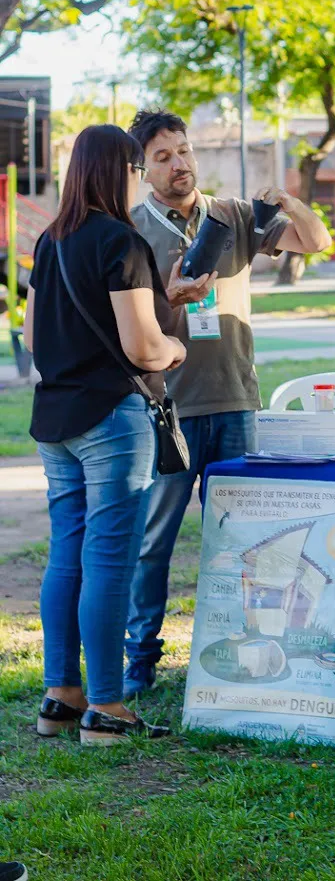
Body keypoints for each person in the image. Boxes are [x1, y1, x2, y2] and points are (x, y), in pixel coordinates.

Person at [124, 109, 331, 696]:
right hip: (167, 409)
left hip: (237, 402)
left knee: (247, 544)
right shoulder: (132, 228)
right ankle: (140, 659)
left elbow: (315, 242)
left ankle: (246, 650)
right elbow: (132, 325)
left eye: (184, 151)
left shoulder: (235, 215)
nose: (179, 164)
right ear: (144, 170)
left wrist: (288, 201)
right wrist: (171, 299)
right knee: (153, 543)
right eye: (163, 157)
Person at [25, 125, 185, 746]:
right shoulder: (122, 239)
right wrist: (173, 347)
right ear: (119, 171)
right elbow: (143, 345)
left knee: (68, 552)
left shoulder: (50, 238)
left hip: (54, 420)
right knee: (110, 561)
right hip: (111, 421)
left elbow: (36, 339)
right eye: (136, 168)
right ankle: (109, 706)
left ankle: (61, 695)